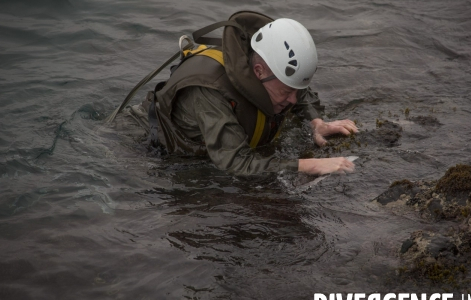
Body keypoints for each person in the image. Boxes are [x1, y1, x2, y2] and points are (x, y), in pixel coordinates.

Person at [144, 11, 358, 176]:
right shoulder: (210, 92)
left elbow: (300, 93)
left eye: (295, 91)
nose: (293, 99)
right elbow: (235, 162)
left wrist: (317, 123)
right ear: (259, 71)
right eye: (287, 91)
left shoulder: (272, 73)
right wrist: (311, 165)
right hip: (144, 146)